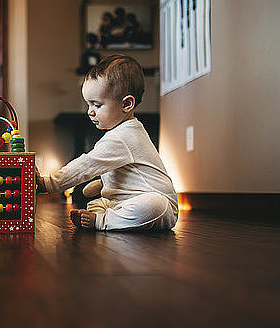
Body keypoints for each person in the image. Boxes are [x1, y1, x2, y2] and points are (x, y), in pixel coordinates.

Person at [35, 55, 178, 231]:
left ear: (126, 104)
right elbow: (120, 173)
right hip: (121, 200)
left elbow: (87, 165)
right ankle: (106, 216)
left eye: (97, 105)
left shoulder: (124, 136)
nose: (90, 112)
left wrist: (49, 183)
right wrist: (103, 184)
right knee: (97, 203)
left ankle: (102, 221)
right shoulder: (120, 132)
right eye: (88, 105)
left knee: (155, 205)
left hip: (159, 205)